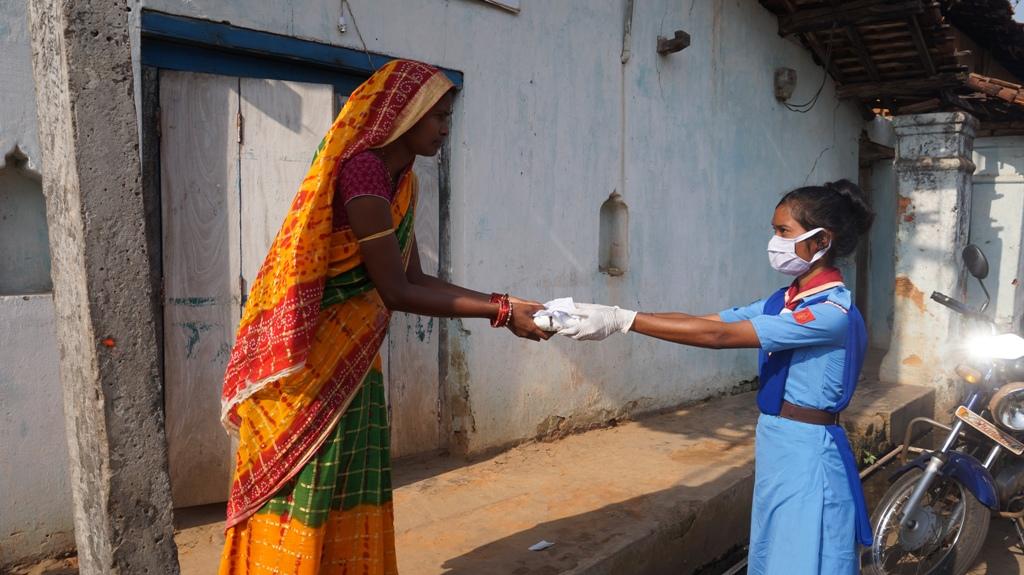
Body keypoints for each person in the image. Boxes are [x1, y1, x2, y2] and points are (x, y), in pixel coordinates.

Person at [218, 59, 550, 575]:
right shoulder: (363, 171)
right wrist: (501, 313)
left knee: (351, 478)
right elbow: (395, 290)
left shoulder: (402, 182)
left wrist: (503, 301)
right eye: (437, 116)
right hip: (310, 365)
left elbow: (414, 277)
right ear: (404, 112)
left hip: (352, 360)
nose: (445, 128)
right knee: (309, 481)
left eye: (448, 118)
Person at [559, 180, 875, 574]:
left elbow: (719, 336)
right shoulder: (782, 301)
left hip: (809, 449)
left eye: (783, 232)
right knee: (775, 546)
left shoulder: (830, 312)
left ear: (821, 240)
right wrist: (610, 311)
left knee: (804, 553)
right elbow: (704, 321)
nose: (773, 242)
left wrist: (625, 323)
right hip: (778, 438)